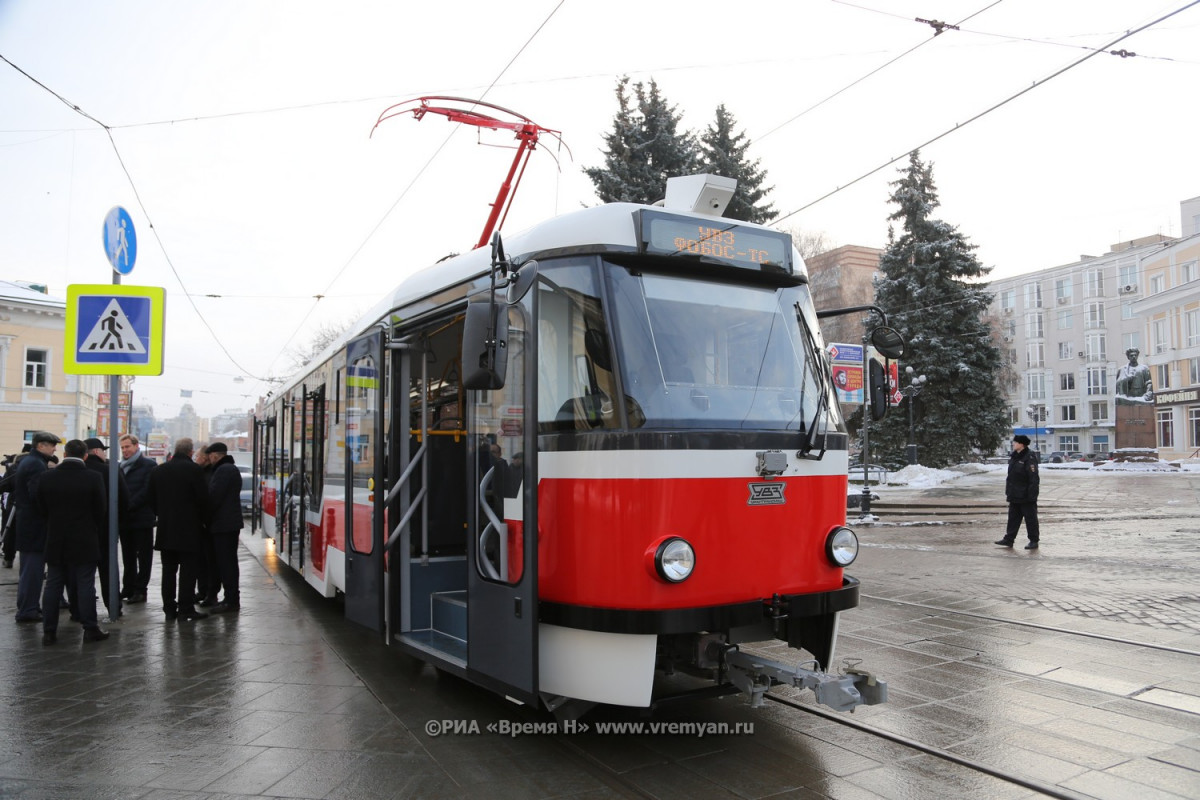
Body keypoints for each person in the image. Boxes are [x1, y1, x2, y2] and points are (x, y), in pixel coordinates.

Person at [35, 439, 109, 644]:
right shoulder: (93, 478)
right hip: (85, 537)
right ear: (85, 456)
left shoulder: (46, 477)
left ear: (65, 455)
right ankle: (90, 628)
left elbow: (41, 508)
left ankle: (49, 632)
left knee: (53, 584)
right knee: (85, 583)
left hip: (56, 537)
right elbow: (100, 509)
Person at [146, 438, 209, 621]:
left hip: (166, 529)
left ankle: (169, 608)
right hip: (190, 530)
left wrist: (162, 514)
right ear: (190, 452)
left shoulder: (158, 470)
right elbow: (203, 499)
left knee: (168, 571)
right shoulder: (195, 471)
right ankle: (186, 608)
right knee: (188, 571)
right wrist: (203, 520)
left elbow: (149, 498)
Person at [13, 432, 59, 623]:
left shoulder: (31, 461)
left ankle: (28, 607)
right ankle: (28, 610)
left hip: (28, 524)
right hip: (34, 526)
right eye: (52, 445)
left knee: (29, 570)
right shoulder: (35, 464)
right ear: (41, 446)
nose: (55, 448)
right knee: (32, 570)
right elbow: (37, 495)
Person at [84, 437, 129, 618]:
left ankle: (81, 610)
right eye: (103, 450)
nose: (105, 454)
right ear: (96, 451)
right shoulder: (110, 470)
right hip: (106, 529)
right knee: (108, 569)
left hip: (81, 530)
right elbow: (125, 500)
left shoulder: (79, 471)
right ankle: (113, 607)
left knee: (83, 572)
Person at [204, 442, 243, 613]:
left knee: (226, 563)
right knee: (225, 562)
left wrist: (204, 516)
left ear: (214, 455)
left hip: (224, 525)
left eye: (209, 456)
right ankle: (228, 597)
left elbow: (214, 496)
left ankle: (231, 600)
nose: (208, 460)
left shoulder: (224, 470)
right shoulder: (228, 468)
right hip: (226, 524)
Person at [118, 434, 156, 603]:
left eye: (127, 447)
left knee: (144, 556)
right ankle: (128, 587)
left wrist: (129, 505)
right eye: (123, 448)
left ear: (136, 447)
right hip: (125, 520)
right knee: (127, 556)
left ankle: (141, 590)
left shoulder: (148, 465)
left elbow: (147, 491)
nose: (125, 451)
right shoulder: (120, 467)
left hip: (142, 518)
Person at [995, 434, 1040, 550]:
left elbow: (1033, 478)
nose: (1013, 444)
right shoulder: (1015, 457)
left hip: (1026, 495)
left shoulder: (1029, 457)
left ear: (1021, 444)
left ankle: (1033, 540)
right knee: (1013, 518)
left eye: (1015, 442)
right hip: (1014, 494)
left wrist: (1032, 495)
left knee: (1030, 519)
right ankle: (1009, 539)